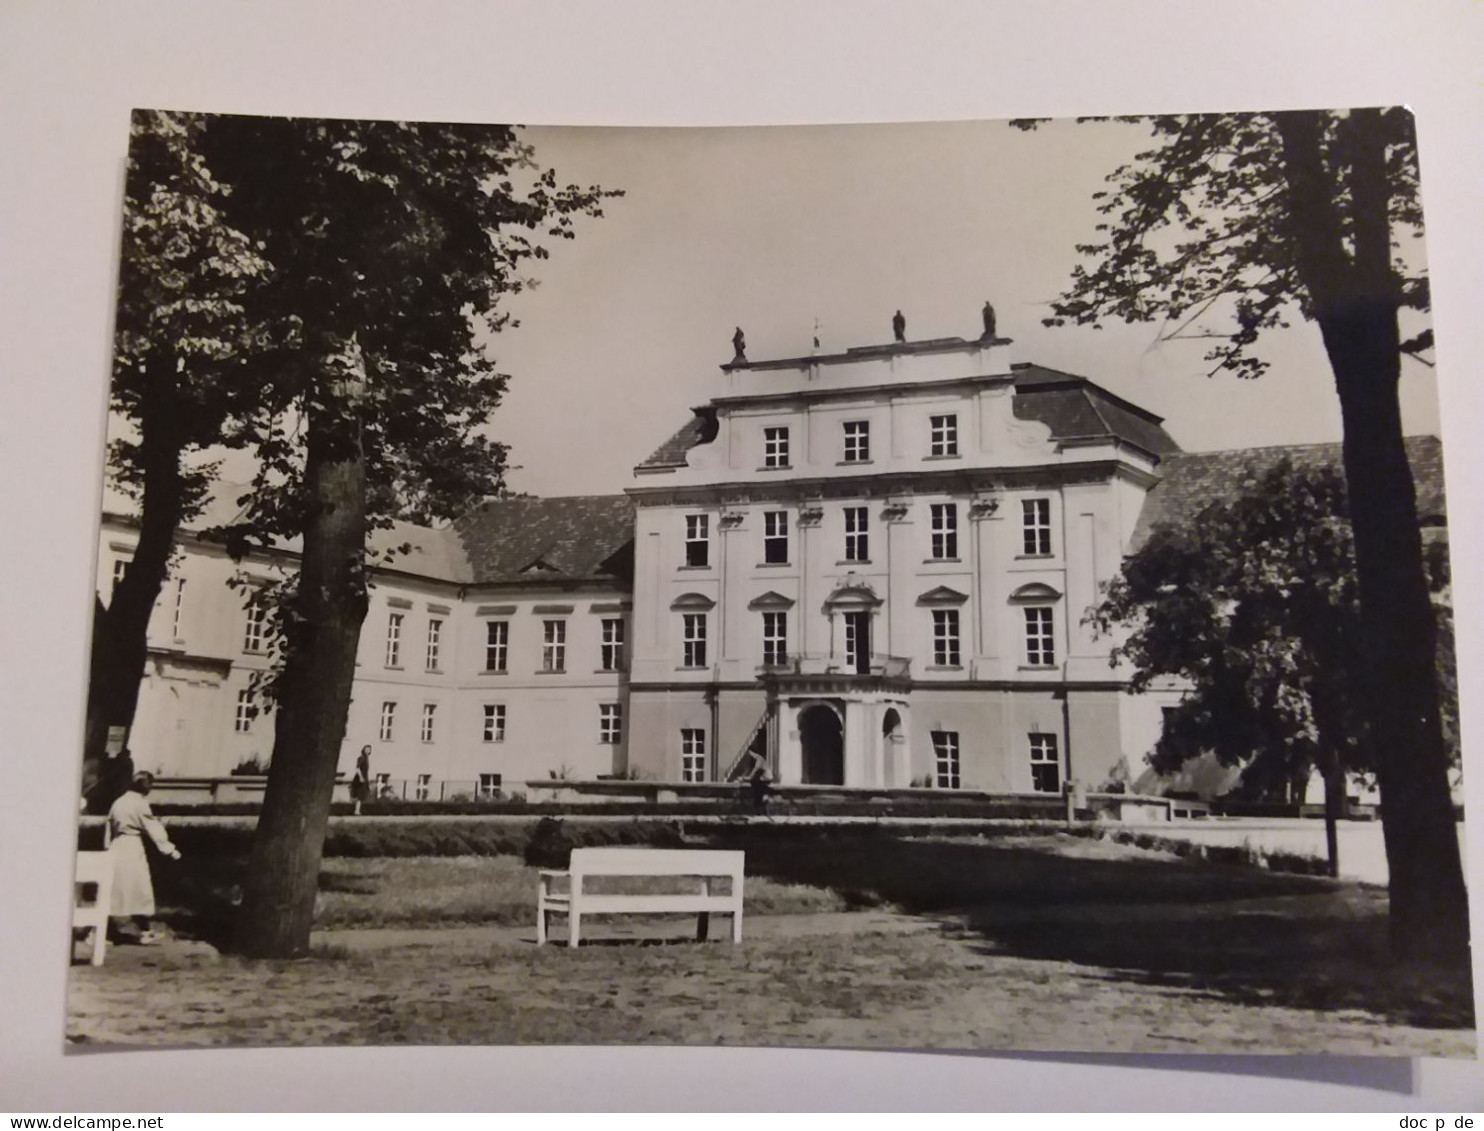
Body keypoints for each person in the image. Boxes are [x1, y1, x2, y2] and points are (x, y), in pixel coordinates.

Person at [106, 771, 181, 945]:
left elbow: (108, 826)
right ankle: (144, 931)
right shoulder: (140, 804)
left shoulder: (118, 802)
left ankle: (104, 931)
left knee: (114, 891)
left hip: (116, 847)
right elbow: (153, 827)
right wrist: (170, 849)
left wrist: (107, 848)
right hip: (132, 848)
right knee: (139, 889)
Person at [351, 745, 372, 815]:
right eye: (367, 749)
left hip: (364, 778)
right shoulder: (361, 758)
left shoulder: (366, 759)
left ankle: (357, 810)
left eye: (369, 749)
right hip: (360, 779)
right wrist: (361, 777)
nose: (368, 750)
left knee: (362, 795)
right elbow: (358, 768)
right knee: (360, 795)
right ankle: (356, 810)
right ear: (364, 750)